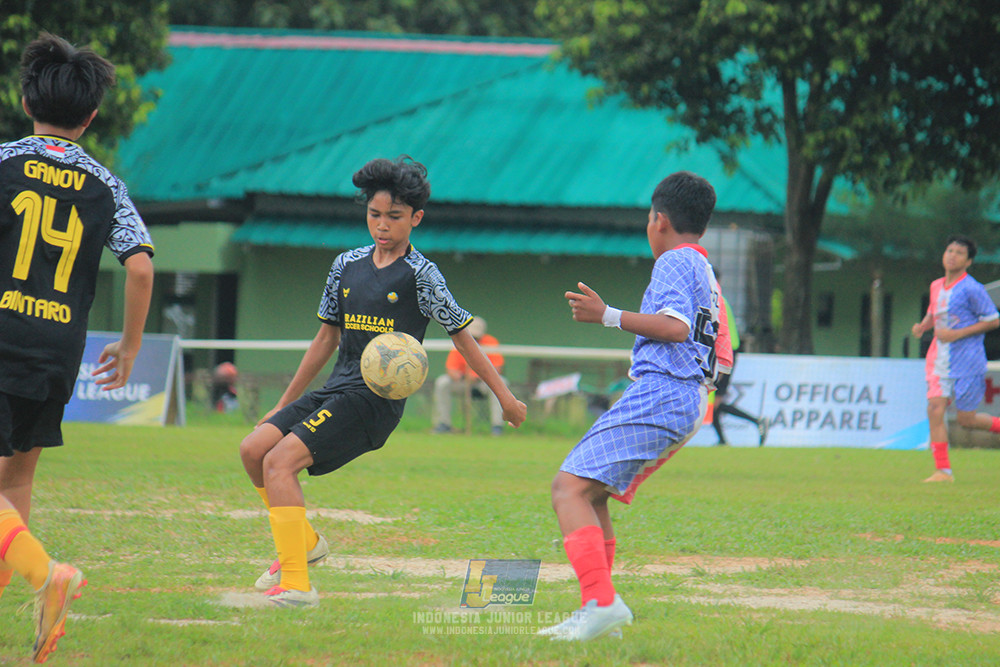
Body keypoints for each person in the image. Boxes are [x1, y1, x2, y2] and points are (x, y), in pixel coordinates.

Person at [238, 156, 527, 608]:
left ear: (416, 218)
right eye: (375, 215)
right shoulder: (345, 265)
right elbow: (325, 339)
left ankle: (296, 585)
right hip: (339, 387)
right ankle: (308, 544)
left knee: (279, 463)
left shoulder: (423, 276)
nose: (383, 225)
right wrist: (284, 402)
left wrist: (506, 397)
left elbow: (464, 337)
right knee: (254, 450)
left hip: (374, 402)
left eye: (394, 217)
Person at [0, 33, 155, 661]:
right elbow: (140, 268)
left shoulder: (4, 160)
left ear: (24, 97)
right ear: (91, 117)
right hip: (58, 347)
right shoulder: (105, 184)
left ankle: (47, 575)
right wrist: (130, 344)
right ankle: (33, 588)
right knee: (18, 476)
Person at [539, 171, 731, 641]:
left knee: (567, 489)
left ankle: (601, 604)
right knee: (592, 492)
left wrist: (604, 314)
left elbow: (674, 328)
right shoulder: (704, 270)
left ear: (659, 220)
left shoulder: (672, 261)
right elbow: (717, 348)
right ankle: (598, 611)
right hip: (683, 396)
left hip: (664, 390)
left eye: (649, 218)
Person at [911, 235, 1000, 483]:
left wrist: (956, 334)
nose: (952, 255)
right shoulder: (936, 285)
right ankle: (943, 471)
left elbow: (993, 319)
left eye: (959, 253)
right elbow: (934, 311)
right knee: (935, 408)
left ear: (968, 261)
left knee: (966, 420)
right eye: (949, 250)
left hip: (967, 361)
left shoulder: (973, 288)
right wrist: (923, 326)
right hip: (938, 359)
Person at [710, 281, 768, 446]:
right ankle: (723, 440)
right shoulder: (720, 299)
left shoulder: (716, 300)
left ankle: (756, 421)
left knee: (715, 403)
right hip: (726, 353)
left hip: (725, 355)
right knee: (714, 403)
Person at [432, 316, 507, 435]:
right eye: (473, 336)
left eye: (477, 336)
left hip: (485, 382)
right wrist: (464, 377)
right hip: (463, 382)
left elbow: (497, 369)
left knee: (502, 382)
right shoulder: (460, 341)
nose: (475, 339)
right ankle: (443, 424)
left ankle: (497, 427)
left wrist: (478, 377)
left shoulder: (491, 342)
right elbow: (451, 370)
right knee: (443, 382)